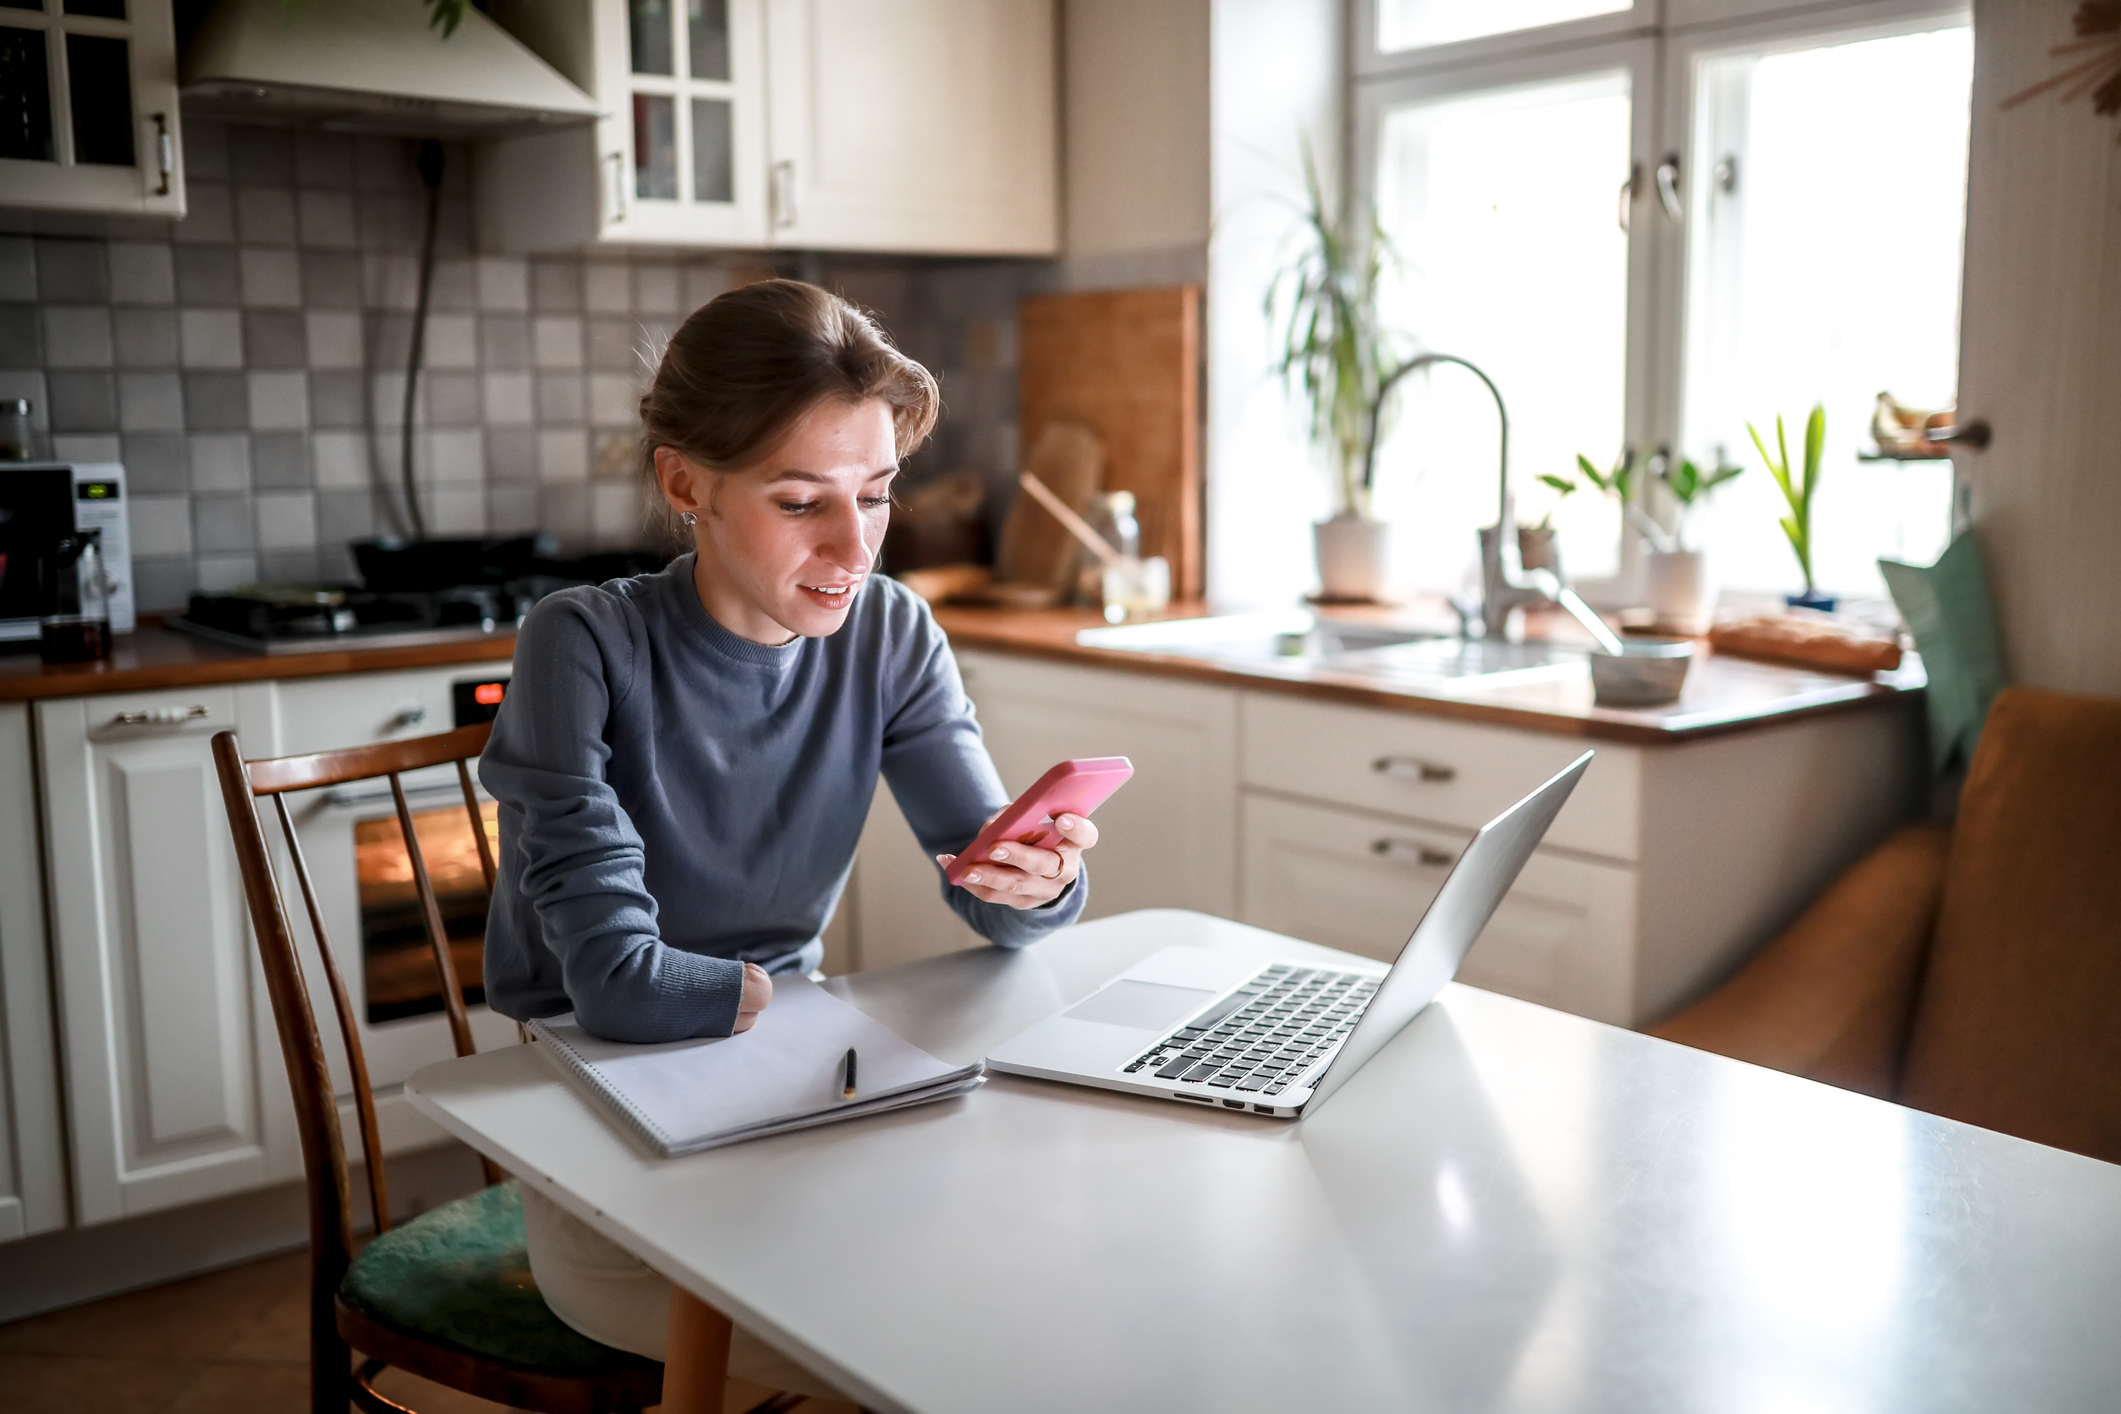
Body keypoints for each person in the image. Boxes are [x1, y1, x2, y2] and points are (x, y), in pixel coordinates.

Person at [478, 279, 1099, 1391]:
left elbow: (989, 889)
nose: (854, 544)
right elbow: (618, 986)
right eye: (803, 500)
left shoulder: (892, 633)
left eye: (877, 493)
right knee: (932, 1334)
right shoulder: (578, 644)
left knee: (1027, 1262)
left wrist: (1030, 882)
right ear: (686, 482)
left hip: (795, 1083)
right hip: (590, 1103)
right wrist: (771, 997)